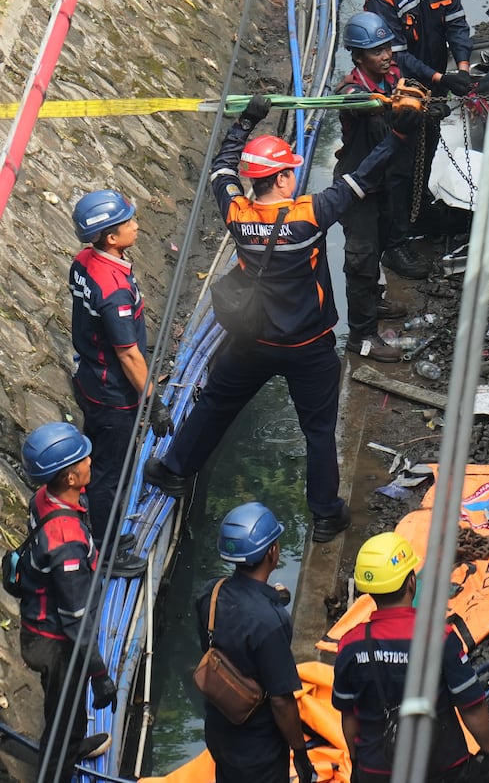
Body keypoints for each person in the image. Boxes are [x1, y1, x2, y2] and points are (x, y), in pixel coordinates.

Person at [143, 94, 419, 543]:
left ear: (257, 180)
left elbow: (221, 170)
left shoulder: (238, 213)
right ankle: (327, 515)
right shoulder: (310, 215)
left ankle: (175, 469)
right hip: (308, 348)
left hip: (254, 342)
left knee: (214, 404)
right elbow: (363, 176)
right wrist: (401, 134)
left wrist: (244, 122)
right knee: (318, 431)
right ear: (286, 177)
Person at [332, 533, 489, 783]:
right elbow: (471, 706)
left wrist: (358, 764)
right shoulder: (439, 635)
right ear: (411, 582)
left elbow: (348, 716)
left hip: (378, 771)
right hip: (442, 768)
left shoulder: (350, 645)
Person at [364, 0, 475, 278]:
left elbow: (456, 22)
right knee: (399, 164)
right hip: (401, 91)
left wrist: (461, 67)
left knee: (426, 148)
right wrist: (442, 81)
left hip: (435, 83)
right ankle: (394, 244)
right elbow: (396, 58)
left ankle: (420, 208)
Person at [69, 188, 168, 565]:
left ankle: (100, 530)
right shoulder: (113, 289)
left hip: (90, 381)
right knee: (113, 472)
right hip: (113, 394)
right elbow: (128, 355)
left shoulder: (83, 263)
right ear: (110, 237)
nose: (137, 225)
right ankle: (106, 552)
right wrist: (153, 402)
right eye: (129, 221)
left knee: (99, 462)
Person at [18, 423, 120, 783]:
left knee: (67, 703)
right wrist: (100, 674)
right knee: (61, 724)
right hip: (55, 641)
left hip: (38, 624)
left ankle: (74, 742)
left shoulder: (44, 498)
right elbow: (75, 619)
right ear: (73, 477)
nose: (91, 460)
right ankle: (58, 767)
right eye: (84, 458)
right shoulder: (67, 544)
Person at [196, 503, 316, 783]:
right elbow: (281, 701)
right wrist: (299, 753)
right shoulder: (271, 623)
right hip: (258, 747)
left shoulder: (210, 594)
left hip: (219, 729)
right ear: (272, 552)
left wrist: (268, 597)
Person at [335, 11, 410, 363]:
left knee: (379, 242)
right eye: (376, 51)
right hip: (357, 187)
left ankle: (374, 300)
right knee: (361, 258)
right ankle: (361, 335)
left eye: (386, 48)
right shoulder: (352, 90)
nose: (386, 55)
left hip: (381, 182)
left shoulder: (392, 76)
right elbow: (356, 103)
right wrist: (390, 105)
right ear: (358, 56)